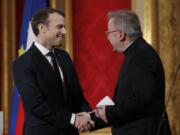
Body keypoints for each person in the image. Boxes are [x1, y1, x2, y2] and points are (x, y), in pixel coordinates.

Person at [82, 9, 172, 135]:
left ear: (120, 35)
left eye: (108, 33)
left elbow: (141, 100)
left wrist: (108, 112)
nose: (107, 37)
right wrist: (92, 118)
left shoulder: (140, 56)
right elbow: (129, 102)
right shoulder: (137, 53)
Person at [12, 7, 93, 135]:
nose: (64, 31)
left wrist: (88, 115)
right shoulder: (23, 63)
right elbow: (36, 105)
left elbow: (76, 94)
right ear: (42, 28)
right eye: (59, 27)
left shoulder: (64, 57)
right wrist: (73, 119)